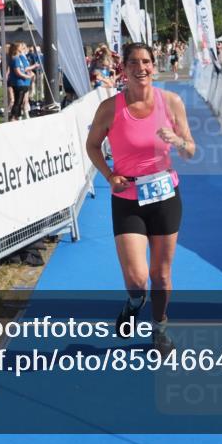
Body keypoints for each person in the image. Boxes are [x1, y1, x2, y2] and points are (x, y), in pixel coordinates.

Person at [84, 43, 196, 356]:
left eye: (146, 61)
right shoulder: (110, 108)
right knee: (137, 278)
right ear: (124, 68)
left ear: (153, 65)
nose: (141, 68)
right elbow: (92, 146)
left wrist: (176, 140)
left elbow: (190, 150)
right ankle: (134, 302)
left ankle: (160, 329)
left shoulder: (171, 103)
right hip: (128, 196)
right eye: (134, 62)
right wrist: (108, 176)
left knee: (161, 275)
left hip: (165, 196)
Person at [8, 42, 34, 121]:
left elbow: (24, 69)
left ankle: (17, 116)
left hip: (22, 82)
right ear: (17, 49)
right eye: (20, 47)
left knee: (19, 101)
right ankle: (13, 117)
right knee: (18, 101)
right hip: (18, 82)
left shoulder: (19, 58)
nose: (22, 48)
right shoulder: (15, 59)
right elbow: (17, 72)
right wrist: (27, 76)